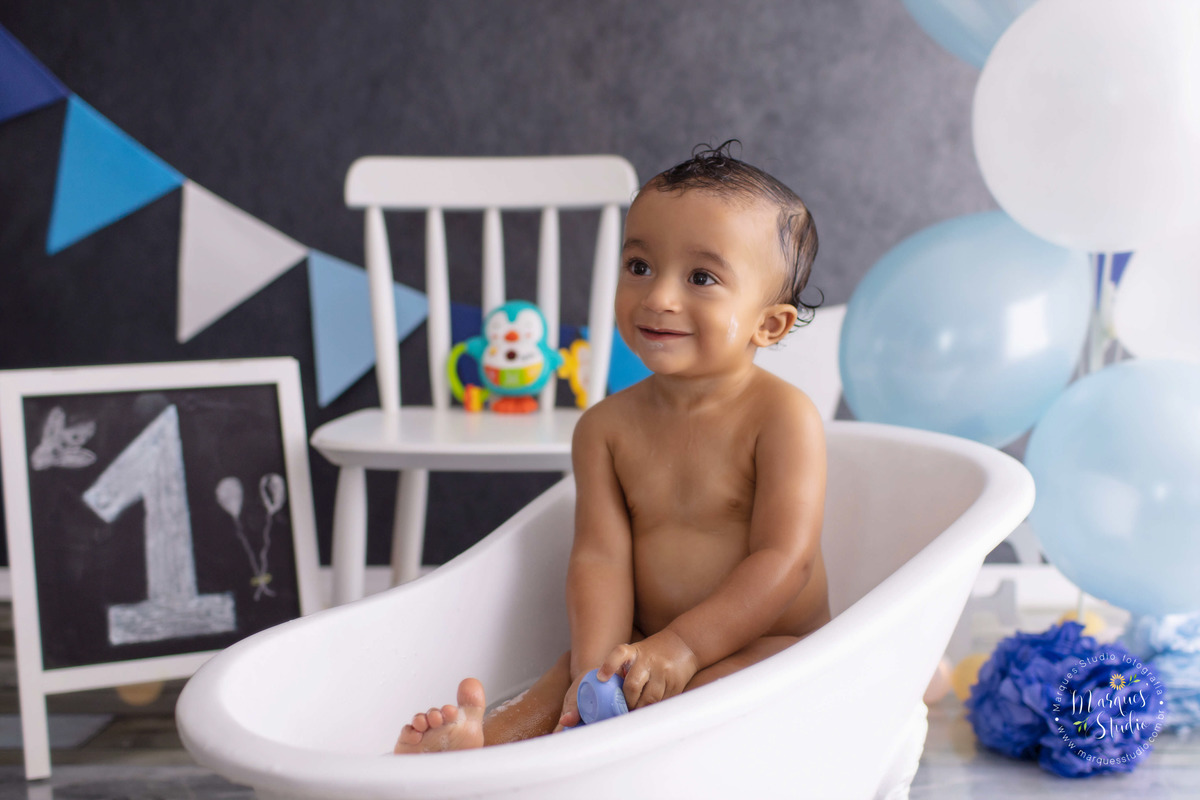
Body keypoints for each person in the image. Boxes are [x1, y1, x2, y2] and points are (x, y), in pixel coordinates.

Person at [394, 141, 829, 753]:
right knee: (567, 679)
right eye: (640, 266)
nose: (658, 297)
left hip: (765, 644)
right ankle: (479, 748)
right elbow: (599, 557)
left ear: (770, 324)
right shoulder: (605, 427)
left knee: (710, 696)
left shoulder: (783, 417)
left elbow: (786, 561)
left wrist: (686, 647)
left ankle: (611, 764)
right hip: (642, 641)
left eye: (701, 277)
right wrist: (594, 671)